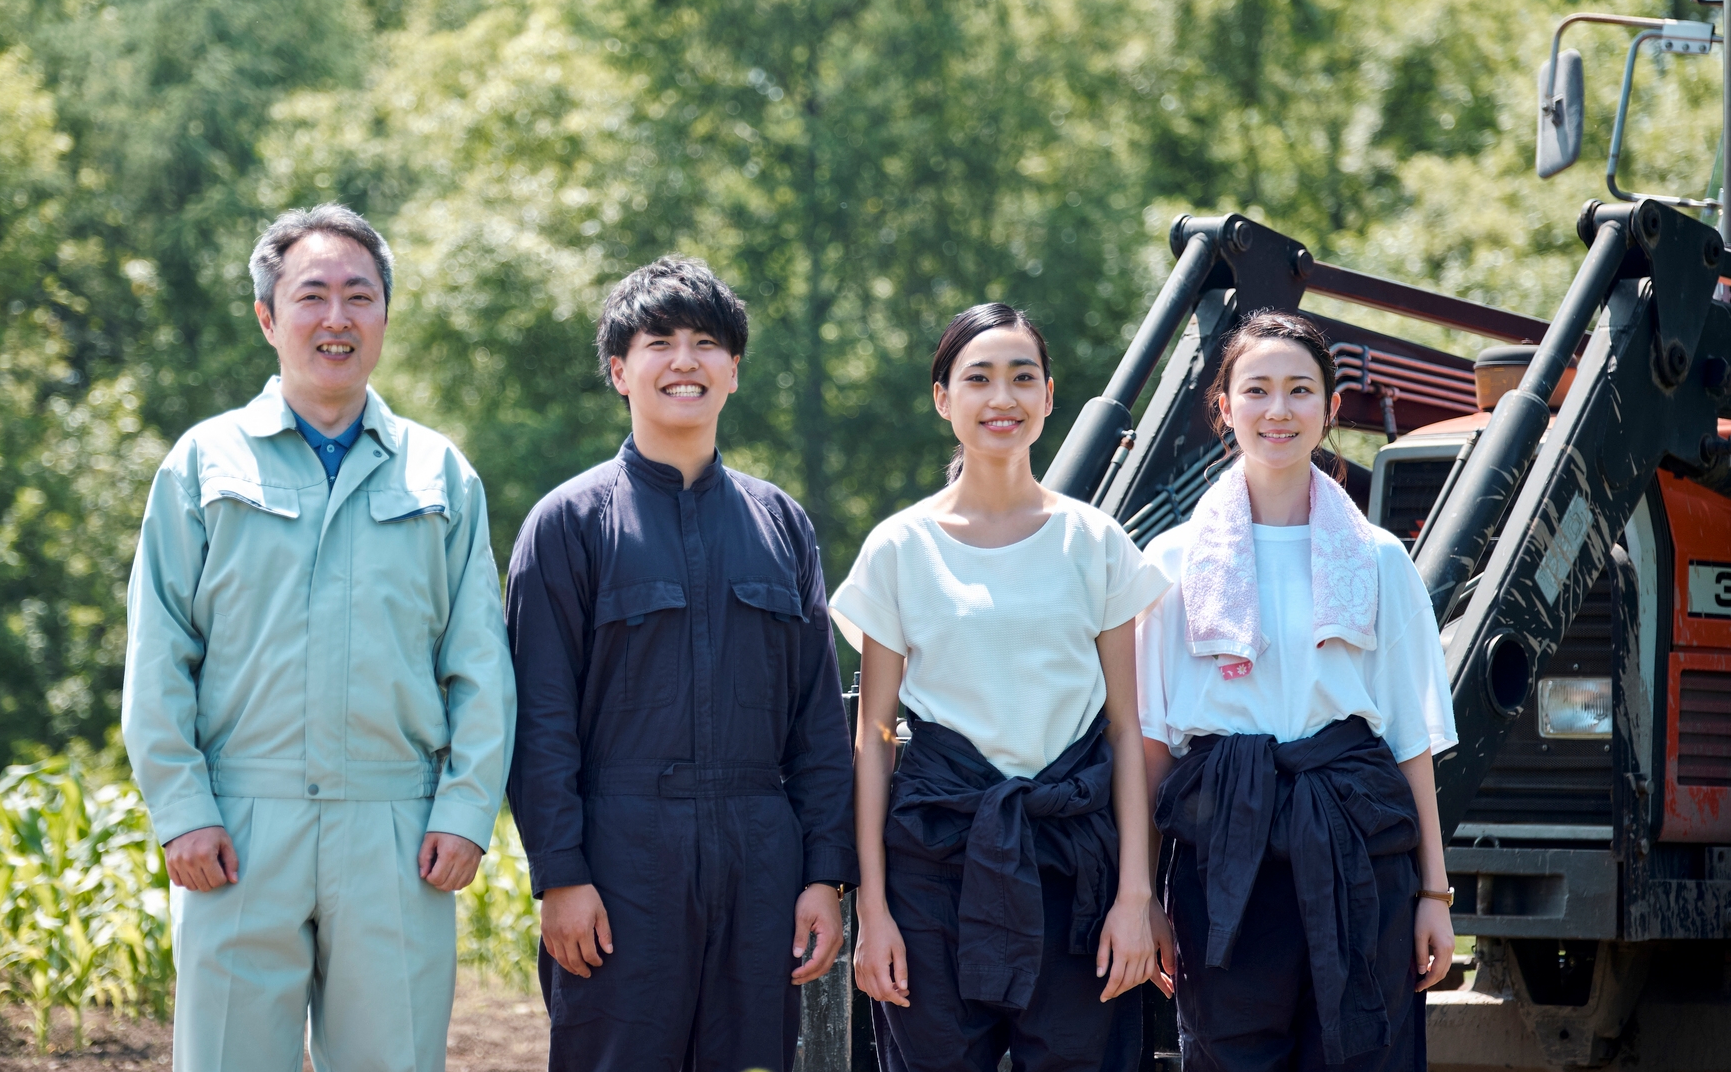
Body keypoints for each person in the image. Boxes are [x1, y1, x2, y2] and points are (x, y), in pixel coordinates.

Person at [121, 203, 515, 1072]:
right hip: (238, 824)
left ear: (384, 315)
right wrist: (181, 807)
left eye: (359, 296)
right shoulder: (202, 463)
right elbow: (159, 650)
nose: (336, 318)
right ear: (268, 317)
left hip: (396, 830)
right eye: (311, 295)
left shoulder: (439, 472)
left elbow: (479, 660)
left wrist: (464, 807)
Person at [505, 255, 857, 1072]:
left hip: (759, 861)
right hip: (621, 860)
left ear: (734, 370)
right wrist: (560, 873)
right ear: (620, 370)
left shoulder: (781, 524)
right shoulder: (568, 523)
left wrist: (823, 873)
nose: (685, 361)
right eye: (658, 342)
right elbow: (539, 718)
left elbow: (815, 715)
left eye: (707, 343)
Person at [838, 302, 1173, 1072]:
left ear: (1050, 397)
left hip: (1075, 871)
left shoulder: (1094, 542)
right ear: (942, 397)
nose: (1002, 399)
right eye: (978, 378)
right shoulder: (899, 546)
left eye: (1023, 378)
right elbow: (876, 737)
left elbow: (1128, 730)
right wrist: (876, 910)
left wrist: (1135, 895)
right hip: (933, 868)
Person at [1135, 310, 1459, 1072]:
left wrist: (1435, 895)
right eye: (1256, 390)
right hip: (1224, 854)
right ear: (1224, 406)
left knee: (1365, 1051)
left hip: (1356, 847)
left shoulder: (1380, 560)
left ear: (1329, 408)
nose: (1278, 410)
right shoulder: (1172, 562)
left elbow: (1410, 740)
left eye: (1299, 390)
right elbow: (1152, 746)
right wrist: (1143, 893)